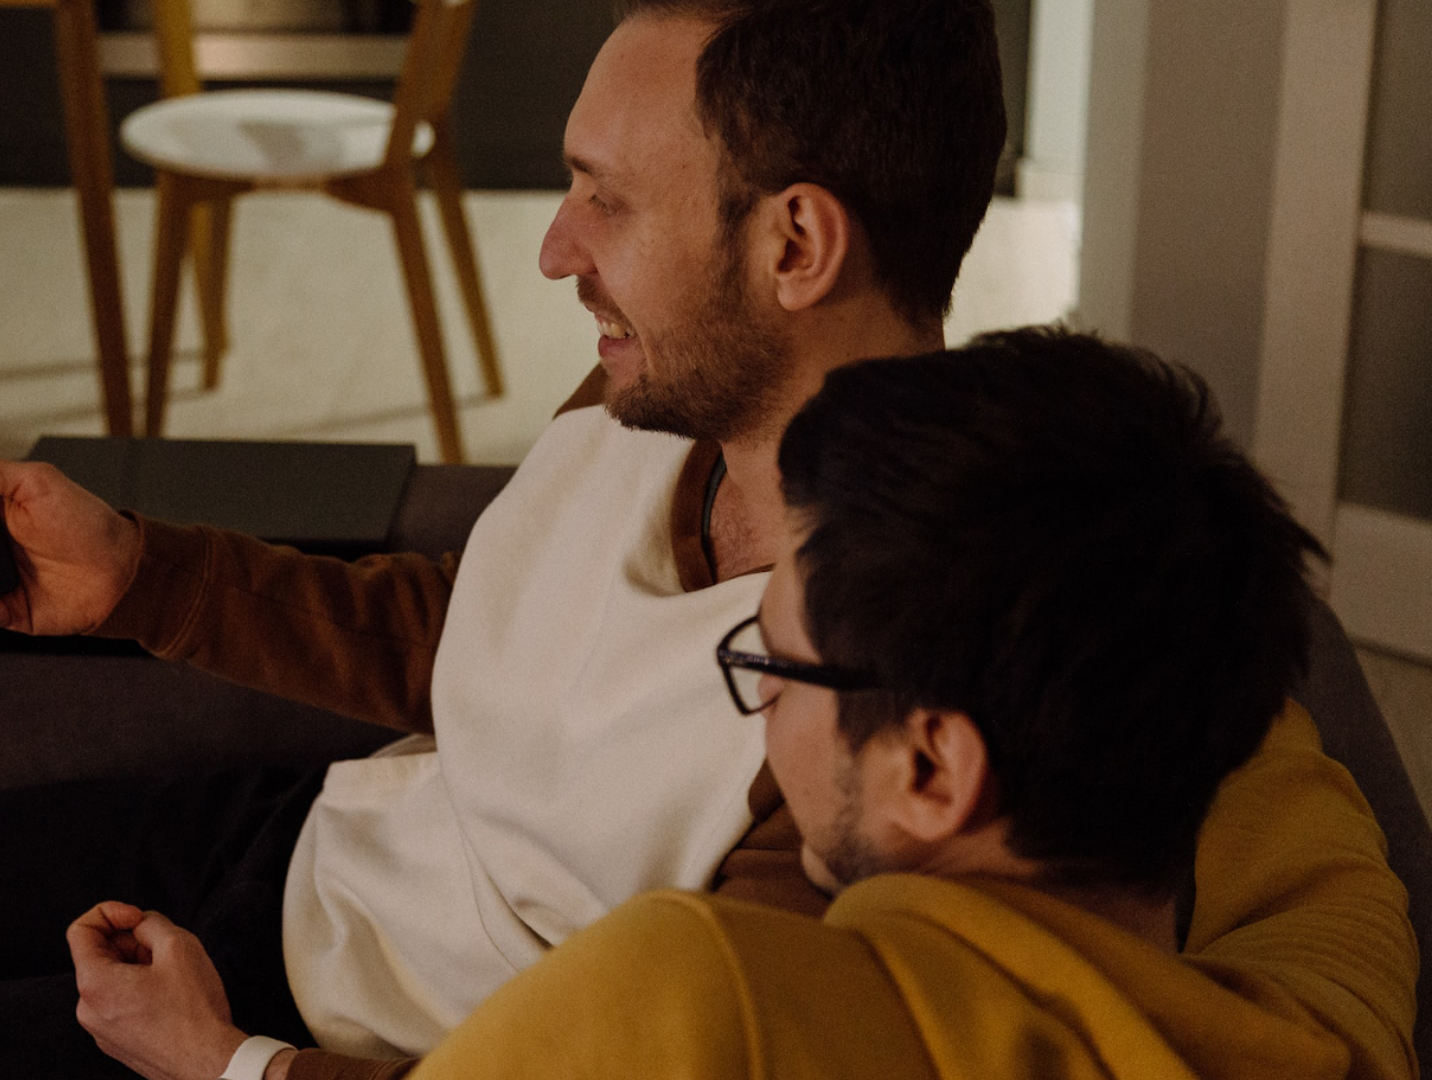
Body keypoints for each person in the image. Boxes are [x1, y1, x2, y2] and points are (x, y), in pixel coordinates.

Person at [0, 2, 1413, 1079]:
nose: (553, 248)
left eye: (607, 199)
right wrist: (144, 581)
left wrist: (239, 1064)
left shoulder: (900, 687)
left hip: (345, 1021)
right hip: (338, 838)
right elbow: (477, 633)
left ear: (795, 243)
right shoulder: (646, 408)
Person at [403, 328, 1416, 1080]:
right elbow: (1259, 735)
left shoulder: (702, 997)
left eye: (778, 660)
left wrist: (242, 1063)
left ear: (931, 771)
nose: (759, 697)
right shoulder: (1335, 1009)